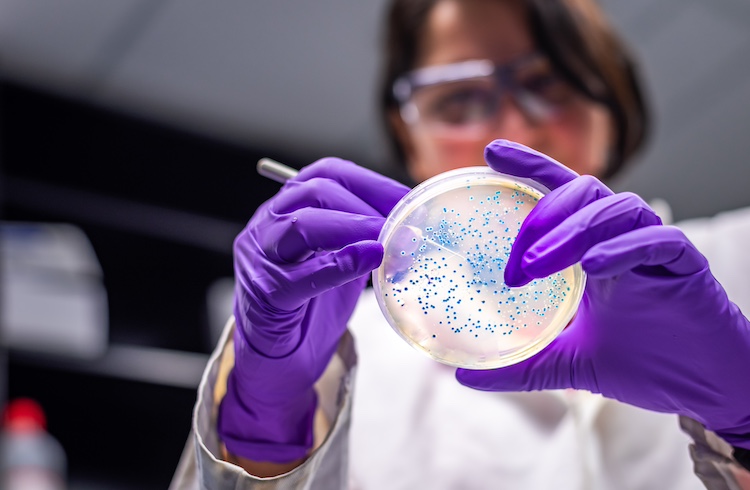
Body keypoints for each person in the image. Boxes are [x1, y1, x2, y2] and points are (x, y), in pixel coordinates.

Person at [169, 0, 750, 488]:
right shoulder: (356, 346)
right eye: (457, 101)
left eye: (548, 83)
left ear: (613, 107)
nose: (513, 129)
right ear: (409, 134)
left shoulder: (740, 258)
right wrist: (266, 425)